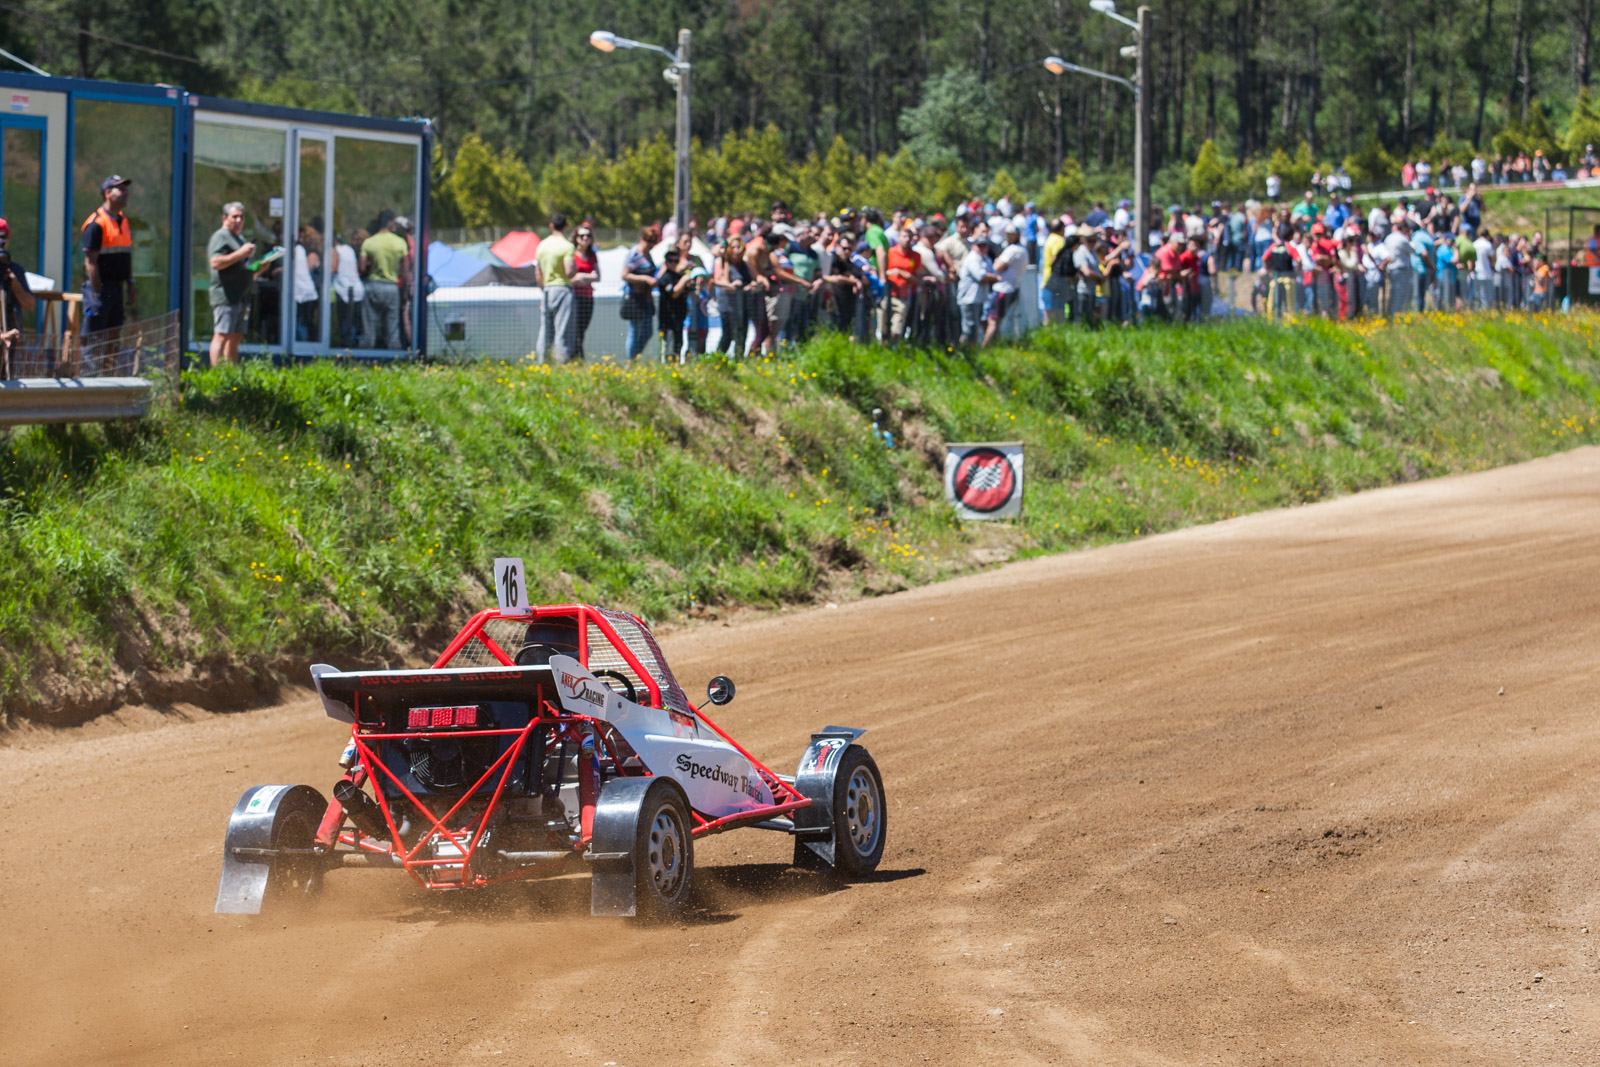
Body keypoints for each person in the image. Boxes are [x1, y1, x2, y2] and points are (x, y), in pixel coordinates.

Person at [82, 175, 135, 335]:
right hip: (100, 289)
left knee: (113, 338)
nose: (126, 193)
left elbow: (126, 255)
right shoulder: (96, 223)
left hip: (117, 288)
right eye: (121, 189)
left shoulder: (123, 220)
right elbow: (90, 261)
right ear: (107, 193)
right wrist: (97, 292)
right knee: (94, 338)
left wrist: (130, 284)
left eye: (126, 189)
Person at [207, 201, 256, 366]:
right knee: (222, 335)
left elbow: (242, 266)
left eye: (241, 217)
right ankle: (216, 375)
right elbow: (215, 262)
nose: (238, 220)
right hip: (225, 296)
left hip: (241, 296)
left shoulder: (240, 239)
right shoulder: (221, 236)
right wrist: (241, 253)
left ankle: (230, 373)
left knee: (235, 337)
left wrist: (260, 267)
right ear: (224, 218)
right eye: (234, 217)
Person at [358, 210, 407, 349]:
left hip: (373, 286)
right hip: (392, 287)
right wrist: (404, 290)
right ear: (390, 222)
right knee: (392, 327)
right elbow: (405, 270)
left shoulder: (369, 242)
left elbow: (361, 268)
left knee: (369, 326)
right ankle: (393, 354)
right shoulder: (400, 243)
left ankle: (366, 354)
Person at [534, 213, 577, 362]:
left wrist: (543, 290)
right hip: (563, 289)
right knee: (563, 329)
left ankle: (542, 361)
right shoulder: (567, 246)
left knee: (545, 329)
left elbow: (538, 272)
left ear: (551, 226)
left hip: (547, 290)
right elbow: (569, 272)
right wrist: (576, 270)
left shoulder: (542, 245)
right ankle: (562, 362)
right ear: (566, 226)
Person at [0, 217, 35, 377]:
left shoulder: (14, 270)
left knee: (10, 382)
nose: (1, 242)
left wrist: (14, 284)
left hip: (11, 340)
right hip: (3, 336)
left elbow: (30, 305)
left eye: (3, 236)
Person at [984, 224, 1027, 347]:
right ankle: (994, 347)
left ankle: (984, 348)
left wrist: (997, 261)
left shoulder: (1011, 250)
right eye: (1007, 235)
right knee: (997, 321)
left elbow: (996, 268)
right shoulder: (1023, 249)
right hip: (1012, 288)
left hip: (1002, 289)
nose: (1008, 237)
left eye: (1011, 235)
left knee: (992, 321)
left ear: (1017, 236)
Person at [621, 226, 659, 361]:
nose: (650, 244)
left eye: (653, 241)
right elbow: (624, 275)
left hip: (647, 298)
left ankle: (635, 358)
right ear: (641, 238)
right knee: (634, 331)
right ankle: (631, 361)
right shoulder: (634, 254)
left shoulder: (648, 255)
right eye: (648, 240)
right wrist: (645, 279)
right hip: (634, 298)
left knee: (648, 332)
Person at [957, 225, 998, 344]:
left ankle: (972, 350)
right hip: (968, 298)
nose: (982, 248)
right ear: (974, 246)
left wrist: (992, 277)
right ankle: (967, 350)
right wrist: (993, 277)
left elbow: (992, 274)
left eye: (984, 245)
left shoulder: (985, 259)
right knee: (969, 328)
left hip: (979, 298)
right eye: (979, 245)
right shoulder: (972, 258)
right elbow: (981, 277)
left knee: (975, 328)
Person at [884, 225, 924, 344]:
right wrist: (891, 273)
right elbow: (883, 272)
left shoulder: (915, 256)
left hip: (904, 295)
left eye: (909, 237)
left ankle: (894, 347)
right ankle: (882, 346)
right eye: (904, 236)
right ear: (898, 238)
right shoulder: (891, 252)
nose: (907, 239)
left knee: (897, 328)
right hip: (888, 292)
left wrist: (904, 274)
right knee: (884, 325)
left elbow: (917, 278)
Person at [713, 236, 752, 357]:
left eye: (738, 247)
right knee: (728, 335)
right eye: (733, 247)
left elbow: (750, 280)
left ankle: (739, 359)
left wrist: (750, 286)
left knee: (742, 333)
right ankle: (717, 359)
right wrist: (733, 285)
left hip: (743, 304)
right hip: (728, 305)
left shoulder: (744, 264)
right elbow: (720, 282)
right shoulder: (724, 263)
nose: (736, 250)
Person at [330, 227, 363, 348]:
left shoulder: (334, 250)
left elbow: (333, 268)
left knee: (344, 320)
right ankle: (353, 344)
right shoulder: (349, 249)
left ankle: (346, 346)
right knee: (353, 320)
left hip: (343, 288)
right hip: (357, 288)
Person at [570, 225, 600, 358]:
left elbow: (597, 276)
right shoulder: (571, 254)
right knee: (575, 330)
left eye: (588, 235)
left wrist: (581, 277)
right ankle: (577, 357)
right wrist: (588, 276)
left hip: (588, 297)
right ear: (576, 238)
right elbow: (570, 278)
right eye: (582, 235)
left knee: (582, 329)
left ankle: (577, 357)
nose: (585, 238)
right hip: (574, 297)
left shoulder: (592, 255)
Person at [292, 217, 322, 342]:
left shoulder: (312, 254)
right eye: (300, 237)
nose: (301, 240)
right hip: (309, 292)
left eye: (304, 237)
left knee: (303, 321)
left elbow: (305, 270)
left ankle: (303, 344)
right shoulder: (305, 252)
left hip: (308, 292)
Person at [1072, 226, 1105, 327]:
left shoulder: (1093, 252)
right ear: (1083, 240)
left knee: (1089, 317)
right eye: (1089, 240)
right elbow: (1087, 272)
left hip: (1091, 289)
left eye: (1094, 240)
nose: (1092, 243)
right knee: (1081, 317)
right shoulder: (1080, 252)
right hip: (1082, 290)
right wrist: (1100, 277)